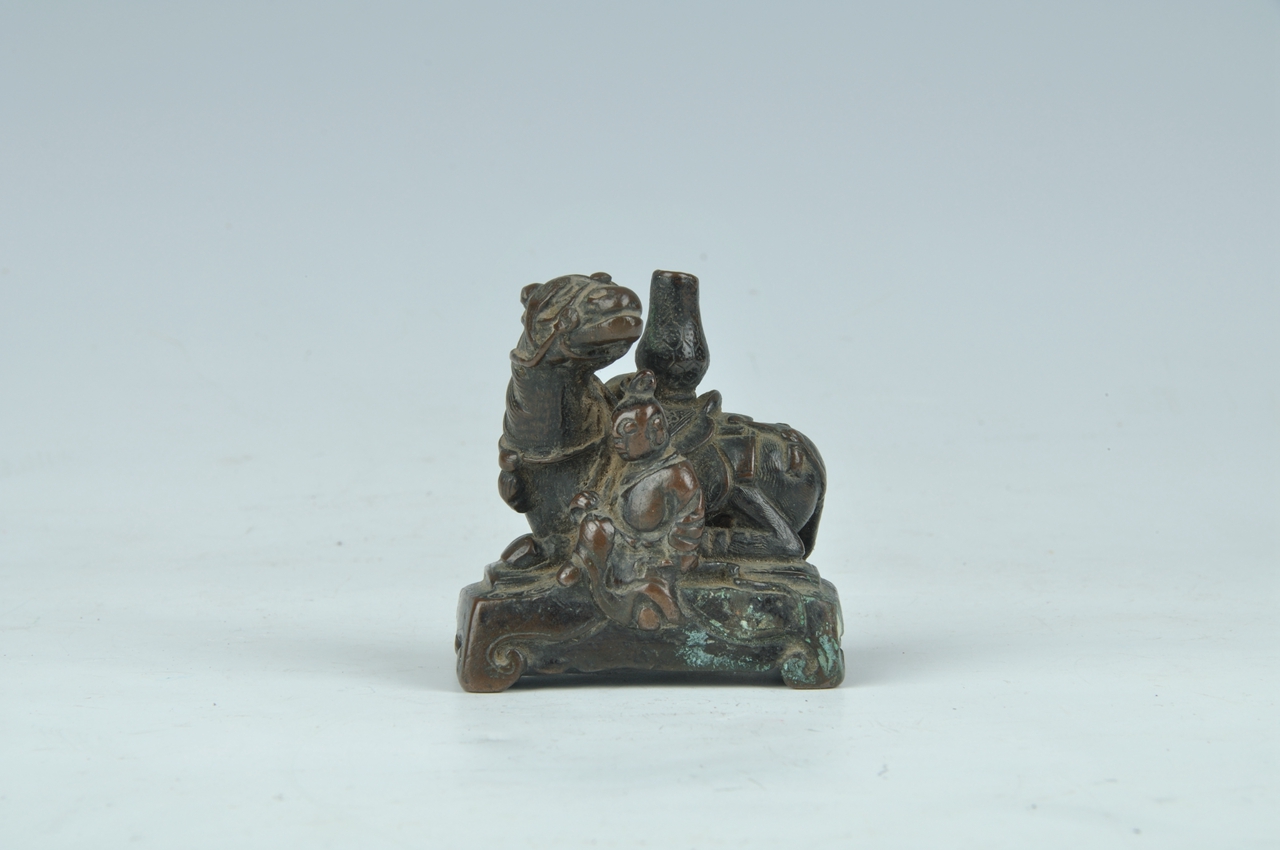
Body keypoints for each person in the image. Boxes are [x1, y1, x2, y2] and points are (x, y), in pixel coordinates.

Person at [561, 371, 705, 630]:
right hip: (621, 539)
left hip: (654, 552)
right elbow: (608, 501)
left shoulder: (677, 472)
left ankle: (645, 610)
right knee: (593, 526)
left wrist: (681, 555)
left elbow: (691, 516)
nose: (617, 440)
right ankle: (578, 566)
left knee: (653, 585)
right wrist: (588, 504)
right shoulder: (623, 466)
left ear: (655, 430)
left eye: (627, 431)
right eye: (616, 433)